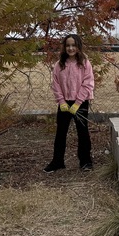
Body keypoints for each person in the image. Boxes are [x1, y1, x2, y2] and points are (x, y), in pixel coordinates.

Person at [45, 34, 95, 173]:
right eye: (68, 45)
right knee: (61, 132)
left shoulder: (85, 63)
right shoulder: (59, 64)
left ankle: (85, 161)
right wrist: (61, 101)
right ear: (64, 47)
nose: (71, 48)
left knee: (82, 132)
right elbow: (55, 84)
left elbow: (88, 83)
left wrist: (78, 103)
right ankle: (57, 161)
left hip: (81, 102)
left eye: (73, 45)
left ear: (78, 46)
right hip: (64, 103)